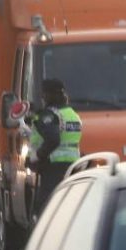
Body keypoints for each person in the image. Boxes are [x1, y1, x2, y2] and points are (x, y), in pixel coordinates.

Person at [28, 78, 82, 215]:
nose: (43, 98)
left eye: (44, 94)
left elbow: (53, 139)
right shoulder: (73, 115)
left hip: (53, 169)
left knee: (45, 209)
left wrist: (36, 156)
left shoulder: (50, 114)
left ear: (50, 95)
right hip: (72, 167)